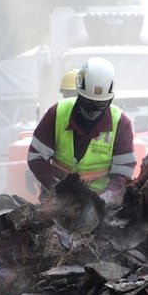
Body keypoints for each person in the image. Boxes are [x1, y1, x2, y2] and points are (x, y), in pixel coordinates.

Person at [27, 57, 136, 205]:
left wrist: (104, 201)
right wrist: (59, 188)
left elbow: (123, 172)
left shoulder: (120, 124)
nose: (93, 111)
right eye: (88, 102)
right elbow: (36, 157)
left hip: (100, 202)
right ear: (78, 93)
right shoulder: (57, 113)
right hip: (57, 199)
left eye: (100, 105)